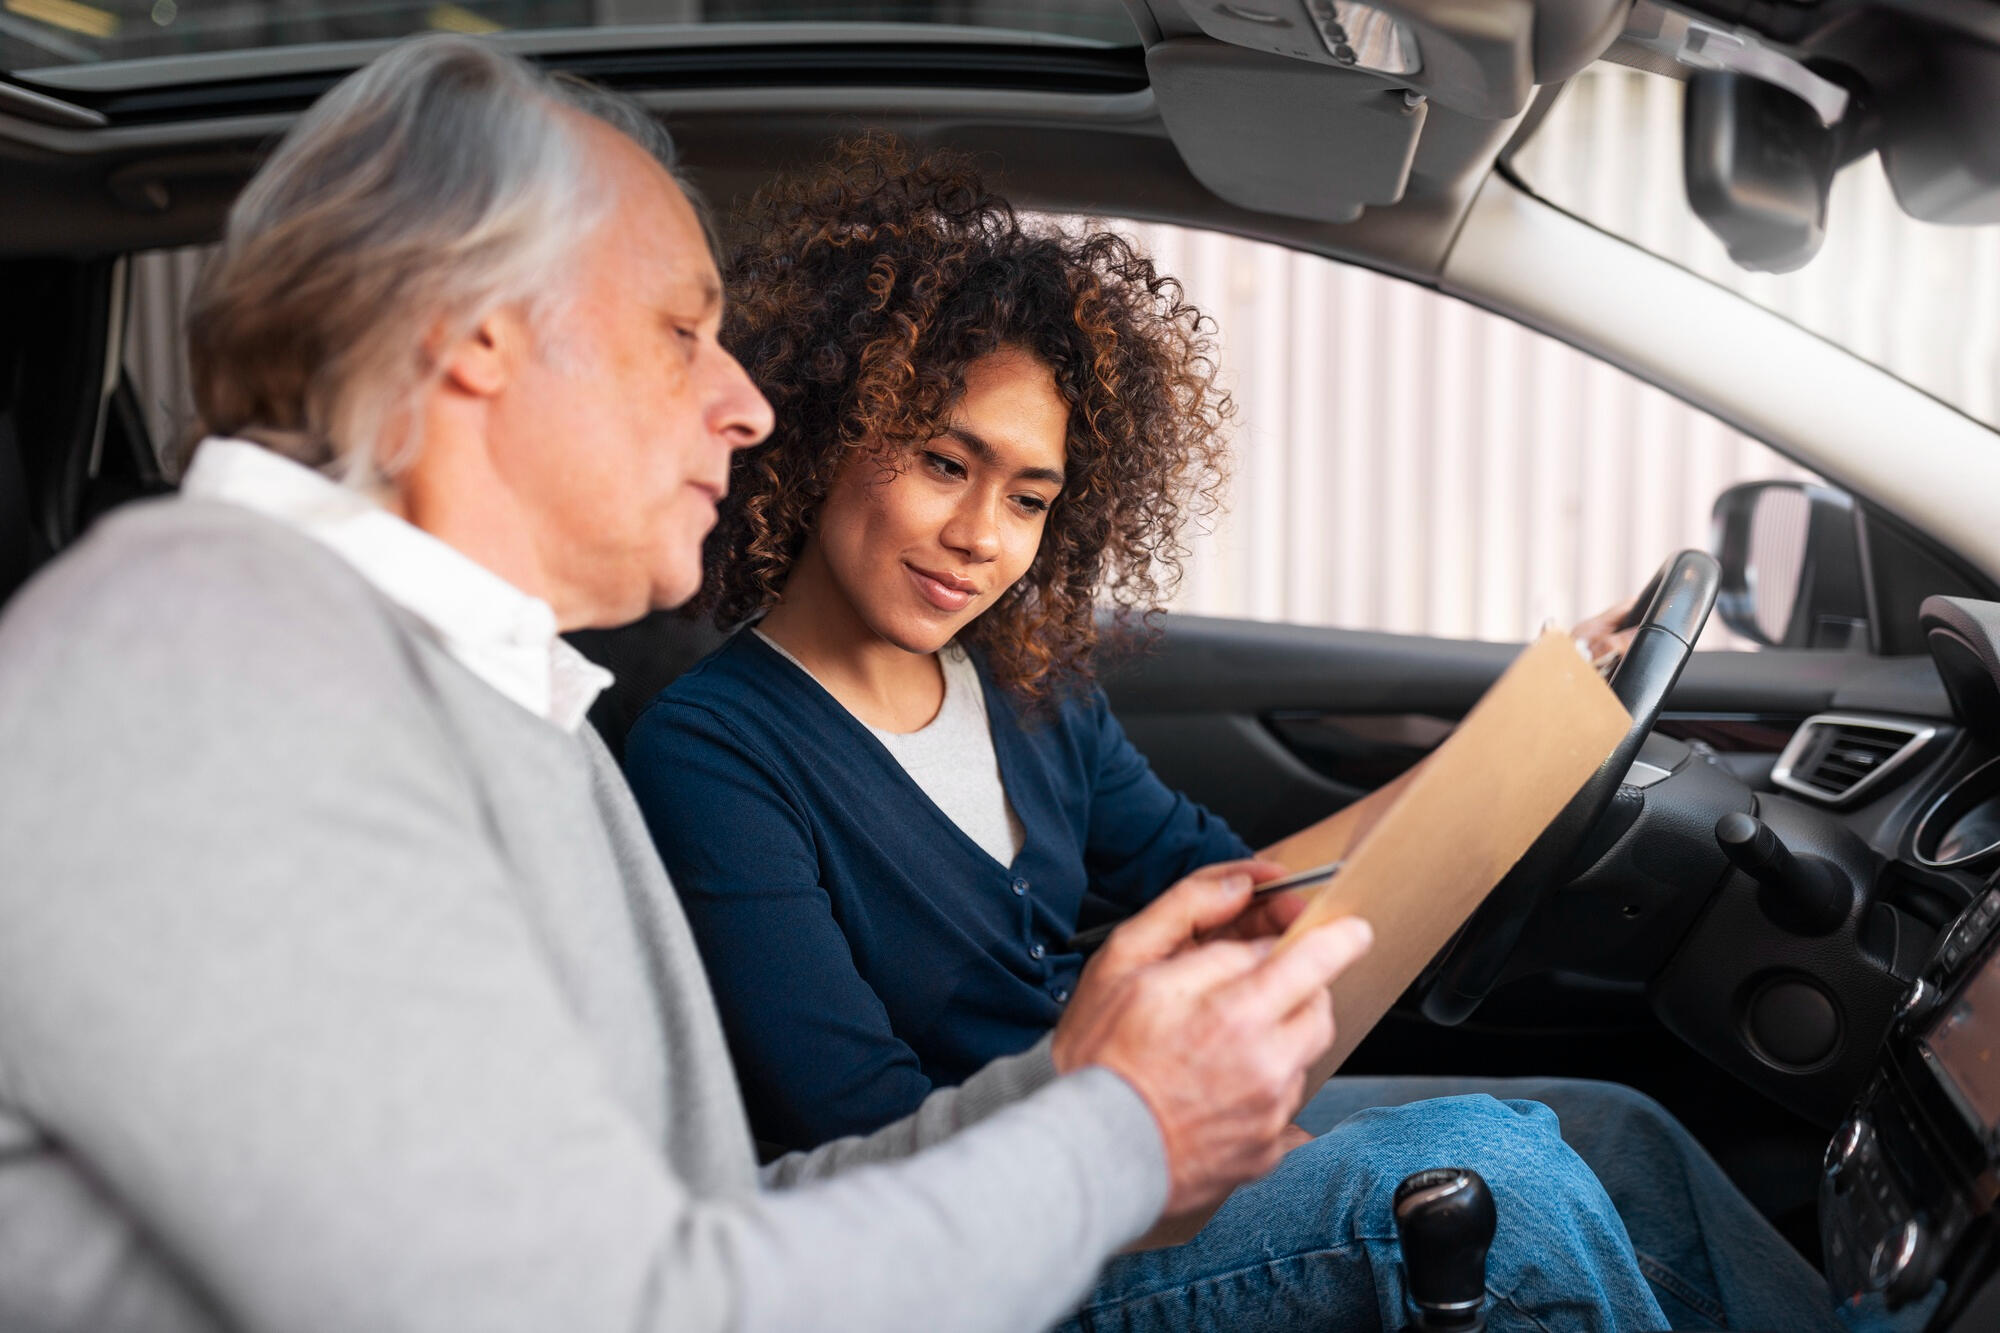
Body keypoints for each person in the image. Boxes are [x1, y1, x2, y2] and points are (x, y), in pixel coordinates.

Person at [0, 35, 1667, 1333]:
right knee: (1502, 1176)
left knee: (1600, 1136)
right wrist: (1113, 1138)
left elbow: (714, 1222)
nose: (743, 404)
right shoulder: (202, 651)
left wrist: (1091, 1094)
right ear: (472, 331)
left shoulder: (490, 706)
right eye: (679, 330)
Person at [623, 139, 1874, 1331]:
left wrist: (1532, 728)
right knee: (1496, 1174)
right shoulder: (711, 754)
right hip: (992, 1245)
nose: (980, 538)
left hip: (1125, 1137)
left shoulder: (1025, 688)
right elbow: (869, 1132)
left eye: (1028, 498)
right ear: (830, 432)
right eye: (944, 463)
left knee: (1617, 1131)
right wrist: (1168, 1145)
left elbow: (1236, 893)